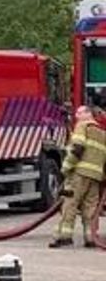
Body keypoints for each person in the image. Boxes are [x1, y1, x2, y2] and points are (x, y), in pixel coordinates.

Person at [52, 105, 105, 248]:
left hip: (78, 174)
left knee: (69, 203)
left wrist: (66, 167)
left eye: (79, 112)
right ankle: (90, 238)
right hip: (95, 176)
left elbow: (78, 148)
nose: (76, 115)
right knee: (90, 208)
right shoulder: (101, 132)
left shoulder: (82, 126)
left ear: (88, 113)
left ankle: (64, 237)